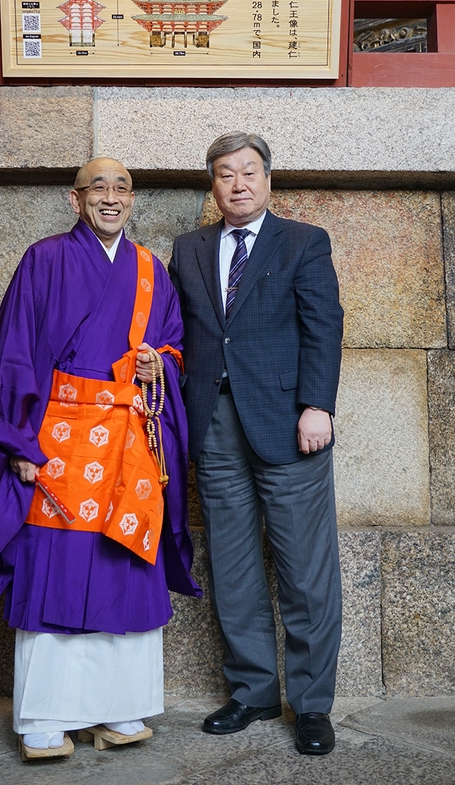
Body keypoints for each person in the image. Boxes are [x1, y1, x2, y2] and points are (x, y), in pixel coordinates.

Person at [0, 158, 200, 761]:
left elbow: (174, 342)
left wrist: (159, 362)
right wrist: (19, 442)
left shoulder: (150, 271)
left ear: (134, 200)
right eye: (98, 187)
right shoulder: (45, 259)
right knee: (53, 566)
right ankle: (45, 719)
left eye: (122, 188)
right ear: (74, 198)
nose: (111, 197)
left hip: (129, 443)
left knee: (126, 567)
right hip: (57, 438)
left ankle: (119, 709)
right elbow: (16, 353)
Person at [168, 132, 343, 756]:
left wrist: (317, 405)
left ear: (269, 180)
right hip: (213, 425)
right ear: (212, 185)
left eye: (248, 172)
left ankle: (313, 703)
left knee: (305, 570)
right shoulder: (188, 249)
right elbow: (177, 331)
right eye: (224, 174)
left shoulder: (302, 241)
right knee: (233, 566)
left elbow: (323, 324)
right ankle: (252, 691)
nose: (237, 184)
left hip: (289, 425)